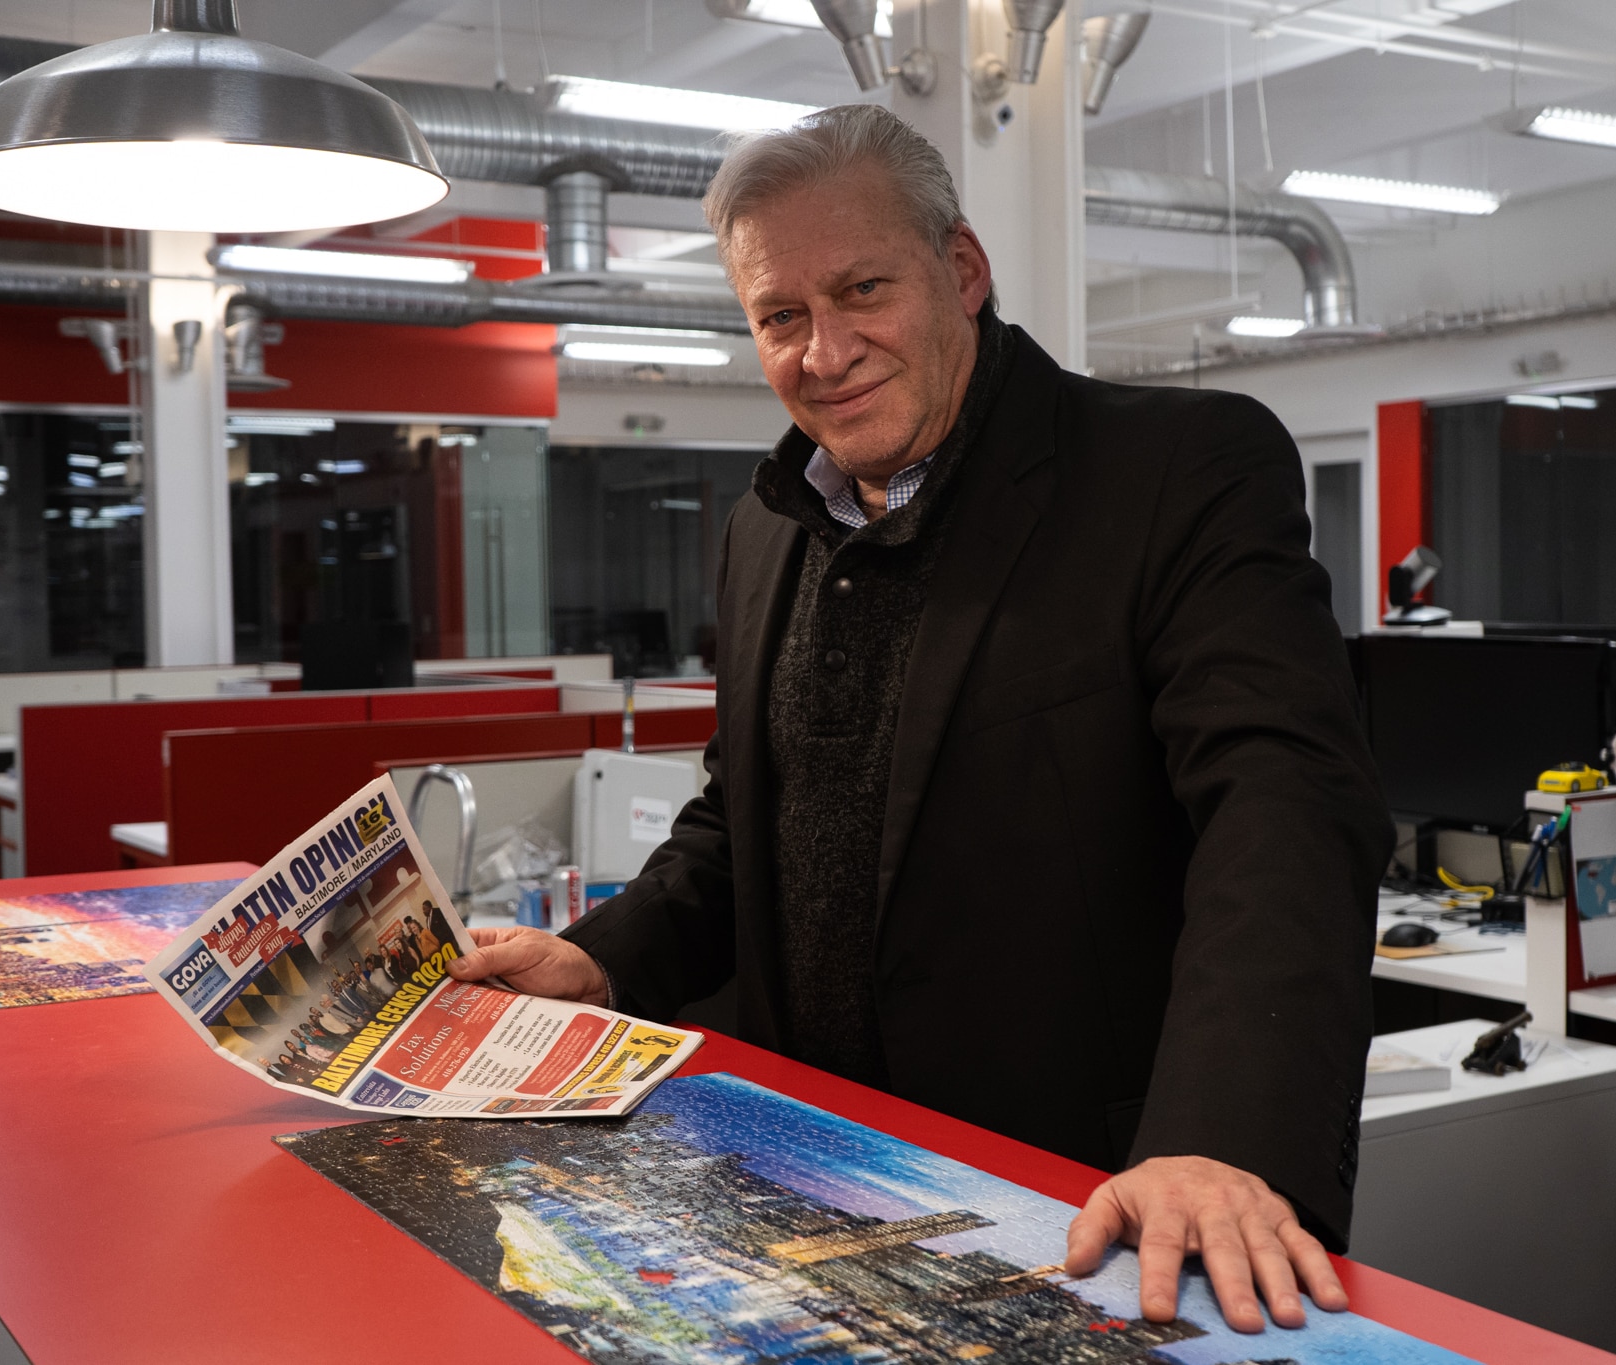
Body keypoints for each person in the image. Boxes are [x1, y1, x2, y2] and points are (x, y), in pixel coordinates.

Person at [448, 104, 1390, 1336]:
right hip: (805, 1188)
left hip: (1088, 1202)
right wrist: (602, 958)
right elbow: (742, 821)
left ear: (960, 270)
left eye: (861, 290)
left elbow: (1283, 807)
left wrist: (1218, 1138)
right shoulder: (765, 527)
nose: (823, 350)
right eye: (780, 316)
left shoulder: (1174, 470)